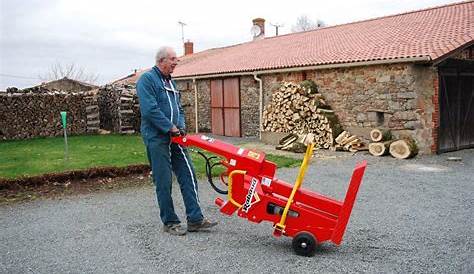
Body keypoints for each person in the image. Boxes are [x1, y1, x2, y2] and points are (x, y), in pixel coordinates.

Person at [137, 46, 217, 236]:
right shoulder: (147, 80)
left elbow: (179, 109)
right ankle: (170, 222)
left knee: (188, 174)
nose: (176, 63)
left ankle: (195, 219)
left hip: (175, 136)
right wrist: (170, 127)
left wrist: (179, 126)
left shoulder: (170, 82)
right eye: (173, 59)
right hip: (157, 138)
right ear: (161, 60)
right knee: (163, 181)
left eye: (176, 60)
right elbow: (150, 110)